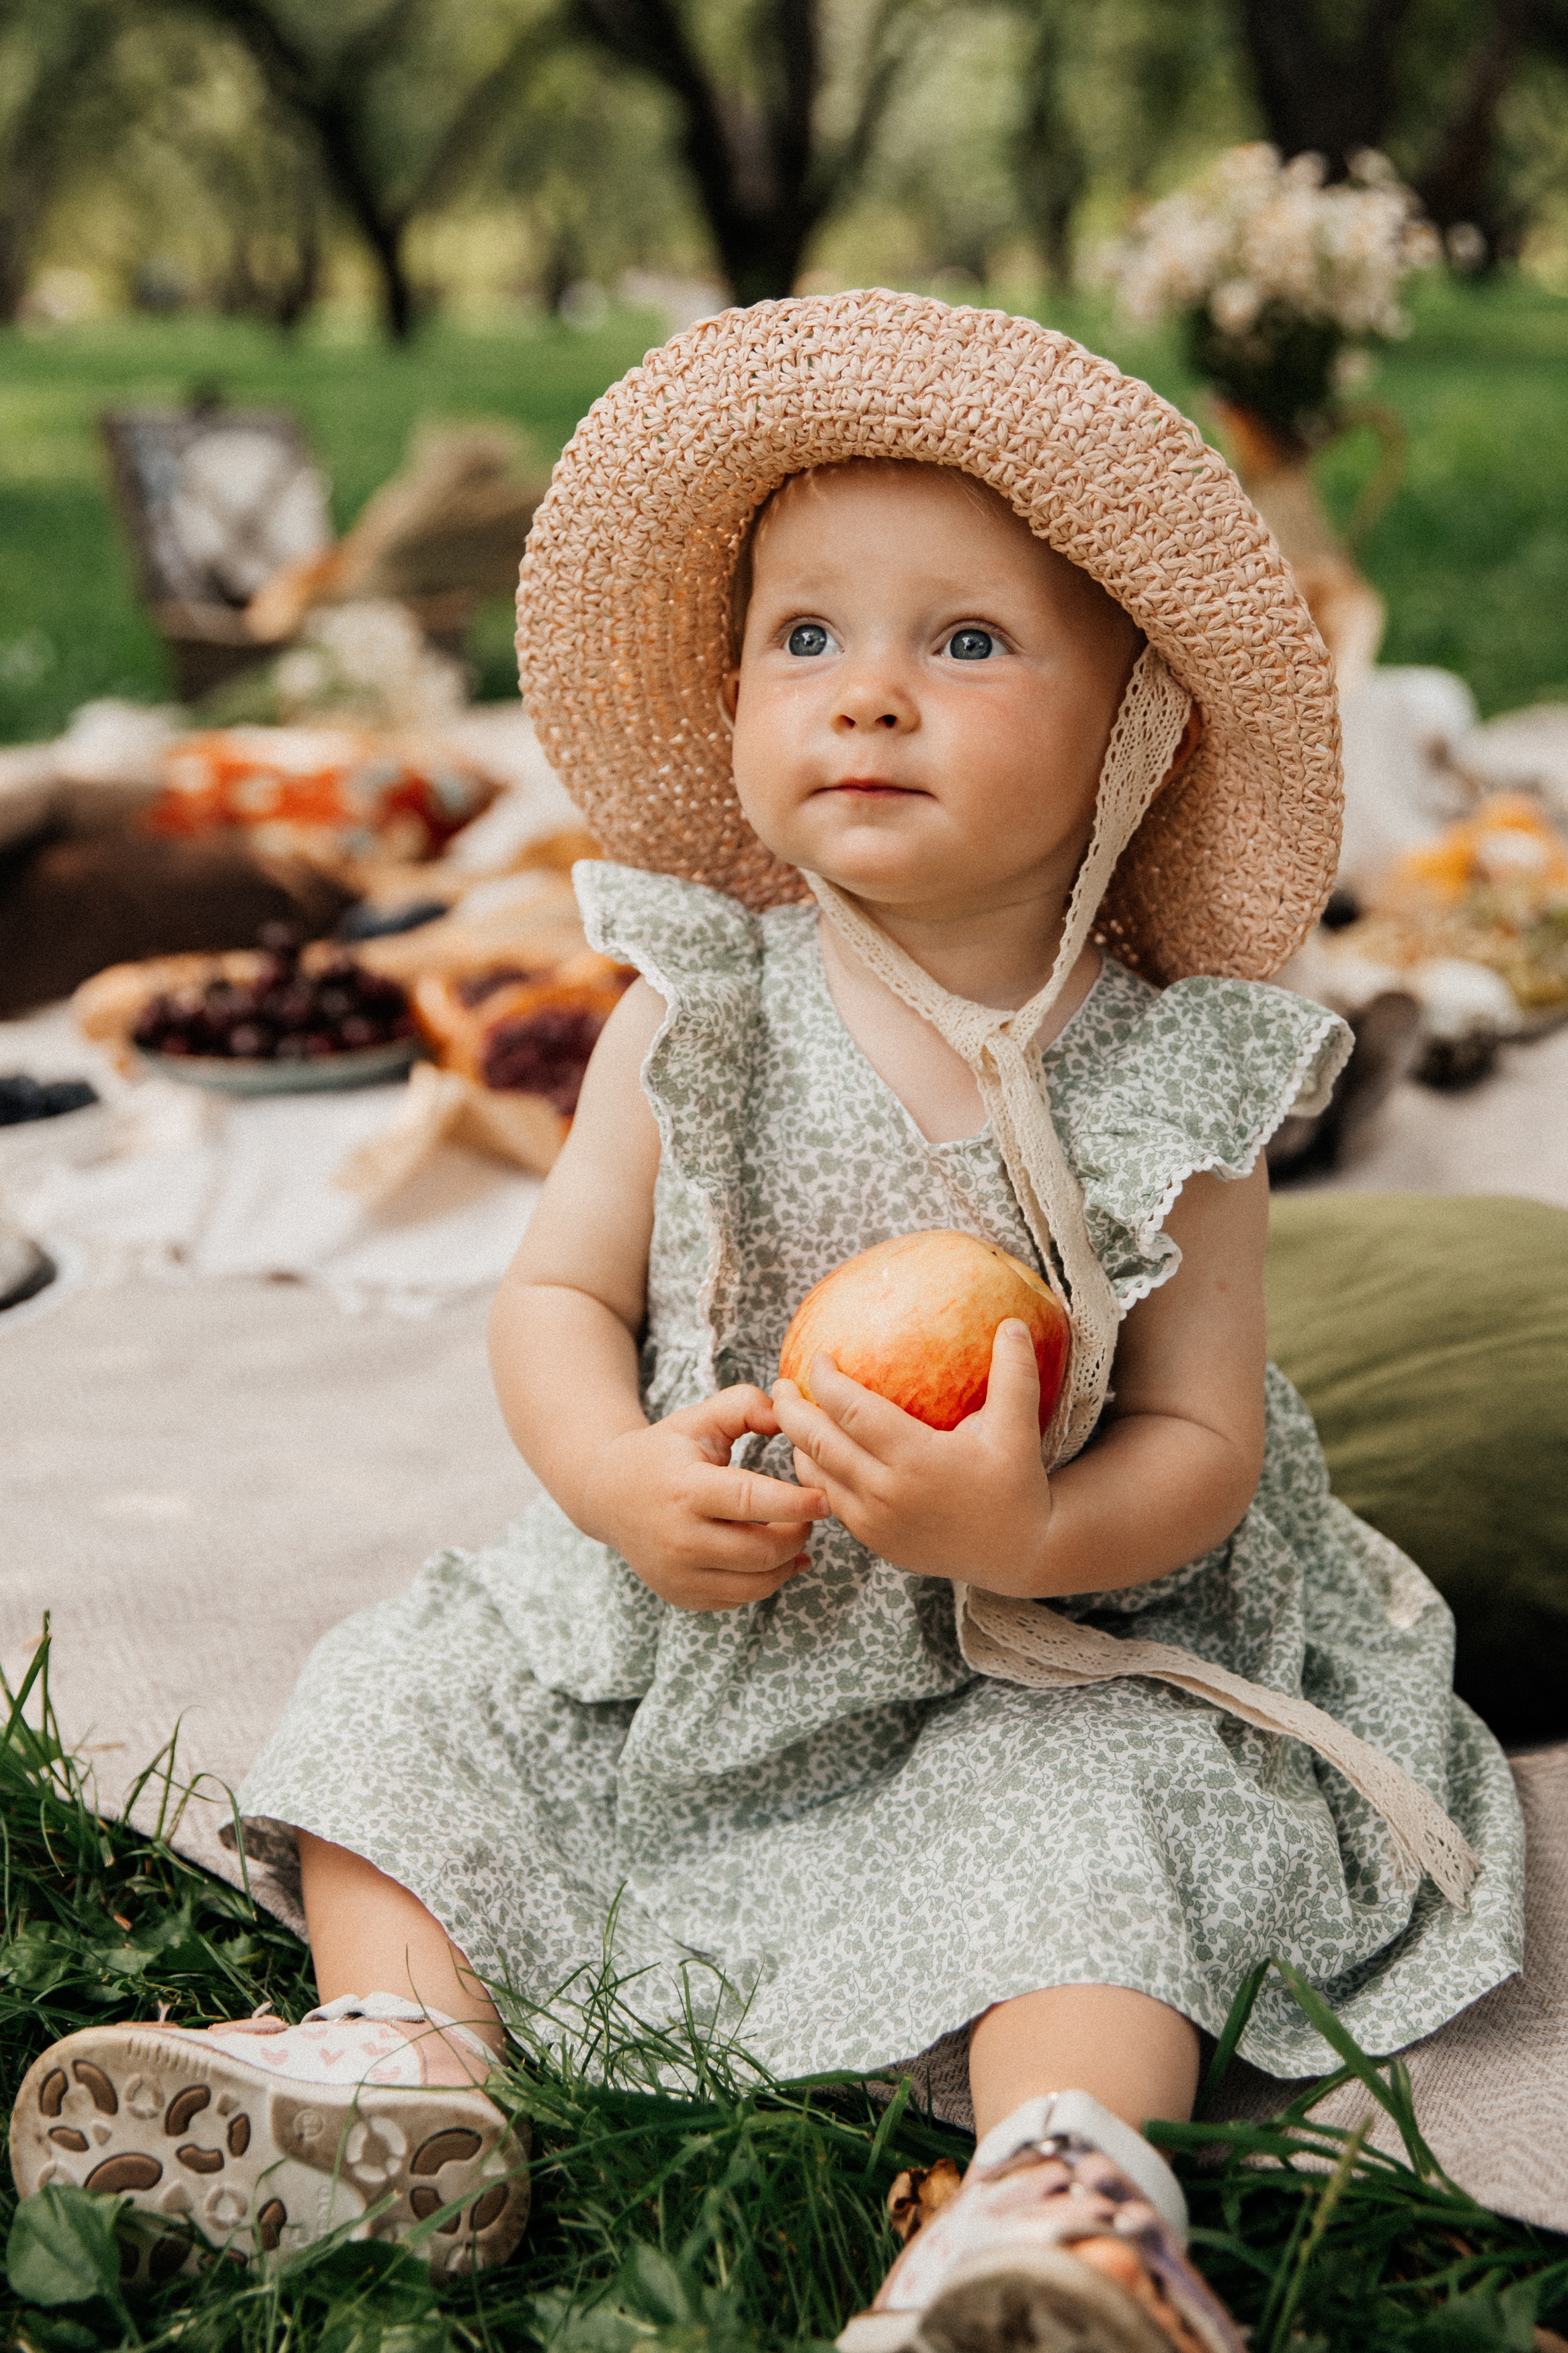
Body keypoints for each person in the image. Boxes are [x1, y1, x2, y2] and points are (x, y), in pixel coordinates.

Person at [12, 295, 1524, 2350]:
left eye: (965, 642)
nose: (870, 697)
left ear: (1132, 721)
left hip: (1049, 1645)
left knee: (1112, 1819)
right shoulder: (698, 1005)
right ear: (734, 693)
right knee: (410, 1691)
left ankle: (1059, 2186)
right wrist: (618, 1478)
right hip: (705, 1626)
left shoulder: (1173, 1075)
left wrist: (1031, 1535)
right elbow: (552, 1290)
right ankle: (400, 2057)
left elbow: (1200, 1441)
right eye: (806, 637)